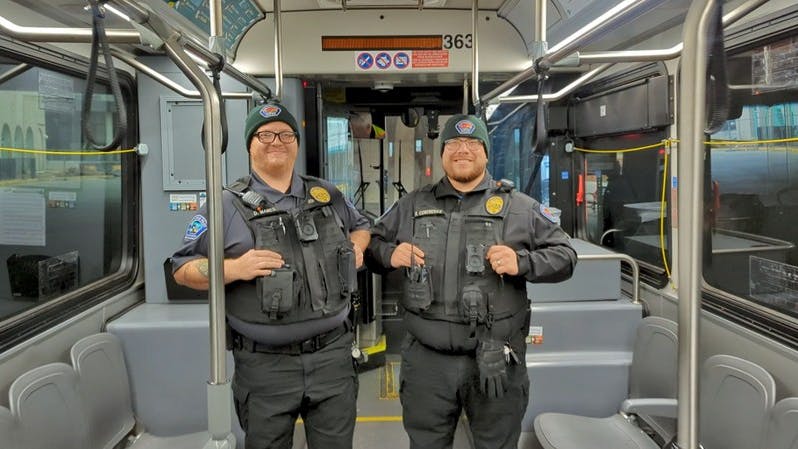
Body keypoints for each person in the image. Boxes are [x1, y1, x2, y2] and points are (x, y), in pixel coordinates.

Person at [367, 114, 577, 449]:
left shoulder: (520, 208)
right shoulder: (412, 205)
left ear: (485, 153)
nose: (462, 150)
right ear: (442, 153)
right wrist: (389, 254)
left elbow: (566, 257)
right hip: (427, 364)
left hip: (494, 359)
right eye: (453, 143)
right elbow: (371, 246)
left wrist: (522, 262)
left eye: (472, 143)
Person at [172, 102, 370, 449]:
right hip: (264, 366)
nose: (275, 141)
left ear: (295, 142)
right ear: (249, 144)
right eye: (264, 134)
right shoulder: (223, 205)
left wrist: (356, 246)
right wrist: (234, 268)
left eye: (284, 133)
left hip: (333, 359)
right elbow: (181, 269)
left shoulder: (327, 195)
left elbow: (363, 225)